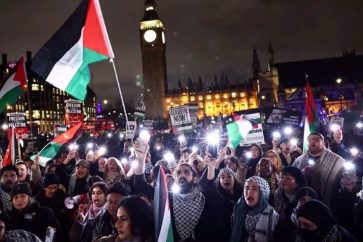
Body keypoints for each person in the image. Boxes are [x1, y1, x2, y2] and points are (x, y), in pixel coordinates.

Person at [293, 132, 346, 206]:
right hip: (303, 202)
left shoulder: (337, 161)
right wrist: (303, 174)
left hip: (327, 202)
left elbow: (343, 182)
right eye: (310, 139)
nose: (312, 141)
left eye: (316, 139)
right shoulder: (299, 160)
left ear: (323, 143)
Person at [230, 176, 279, 242]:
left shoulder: (273, 217)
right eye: (246, 188)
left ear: (263, 193)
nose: (249, 192)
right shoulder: (238, 209)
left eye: (254, 189)